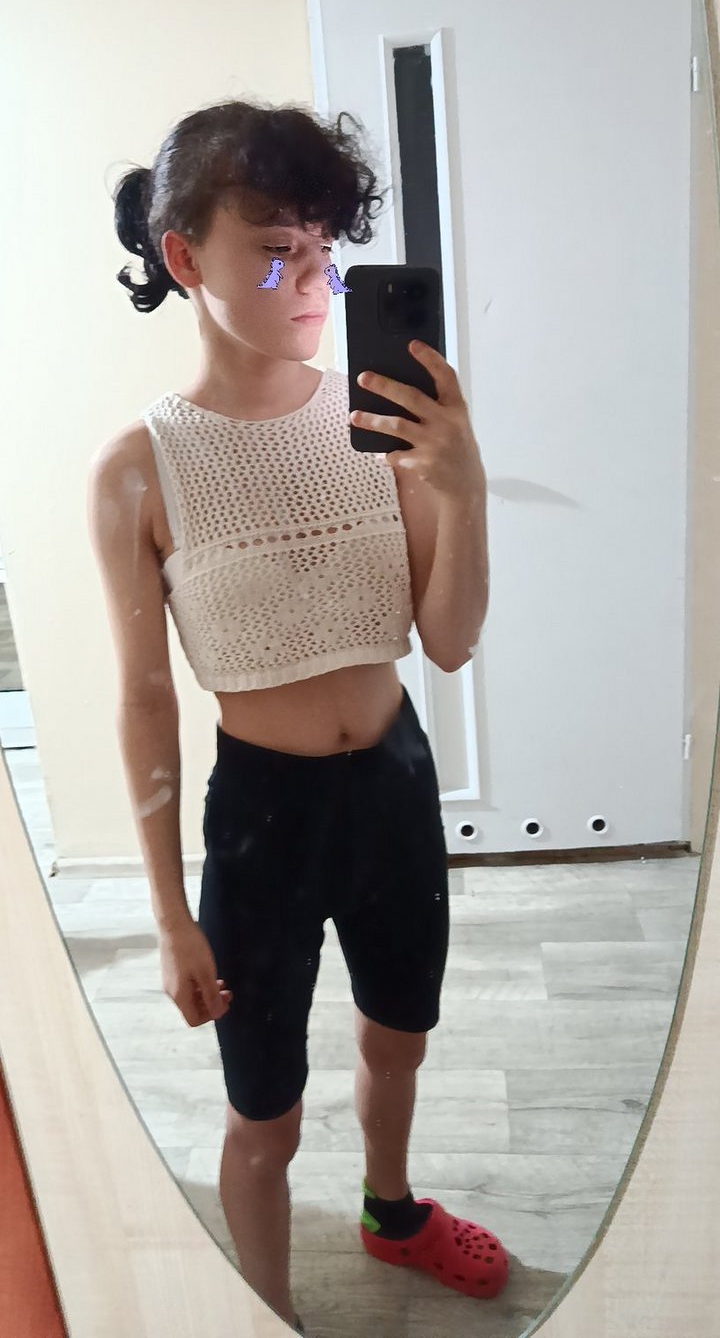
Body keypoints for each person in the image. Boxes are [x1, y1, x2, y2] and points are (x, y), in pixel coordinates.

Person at [86, 99, 507, 1336]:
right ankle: (267, 1311)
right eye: (274, 251)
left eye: (323, 250)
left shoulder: (379, 423)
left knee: (398, 1039)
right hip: (259, 818)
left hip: (392, 788)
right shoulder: (137, 468)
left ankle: (390, 1210)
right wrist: (168, 912)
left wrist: (463, 491)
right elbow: (143, 697)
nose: (311, 281)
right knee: (260, 1111)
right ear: (183, 257)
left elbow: (447, 638)